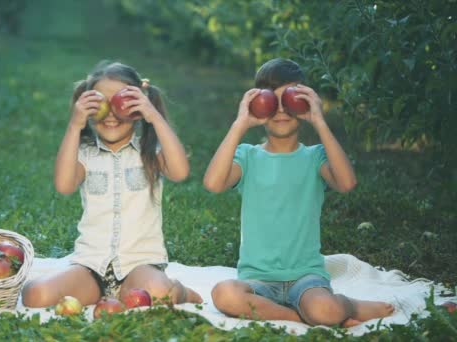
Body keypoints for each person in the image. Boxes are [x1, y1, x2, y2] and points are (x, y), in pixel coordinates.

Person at [203, 58, 394, 327]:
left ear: (304, 102)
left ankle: (349, 305)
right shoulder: (247, 156)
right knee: (224, 294)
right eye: (272, 101)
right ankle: (302, 317)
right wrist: (240, 124)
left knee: (323, 308)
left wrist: (319, 120)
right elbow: (213, 183)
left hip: (306, 278)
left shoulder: (315, 157)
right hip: (256, 279)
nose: (281, 110)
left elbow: (347, 183)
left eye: (290, 100)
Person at [22, 61, 202, 308]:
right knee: (34, 295)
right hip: (91, 268)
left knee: (160, 293)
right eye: (101, 104)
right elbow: (64, 185)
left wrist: (154, 117)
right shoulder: (85, 154)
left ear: (138, 107)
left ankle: (181, 291)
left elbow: (180, 172)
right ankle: (107, 295)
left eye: (121, 103)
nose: (111, 114)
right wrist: (75, 125)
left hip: (139, 266)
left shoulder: (150, 152)